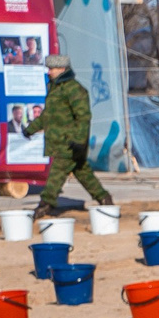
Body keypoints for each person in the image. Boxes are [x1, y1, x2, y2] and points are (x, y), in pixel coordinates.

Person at [31, 56, 109, 215]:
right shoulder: (56, 88)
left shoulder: (74, 89)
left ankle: (45, 204)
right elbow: (47, 116)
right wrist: (31, 129)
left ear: (62, 69)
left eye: (52, 69)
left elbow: (83, 117)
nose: (49, 72)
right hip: (61, 141)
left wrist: (79, 141)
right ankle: (104, 198)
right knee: (82, 172)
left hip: (70, 142)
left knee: (57, 174)